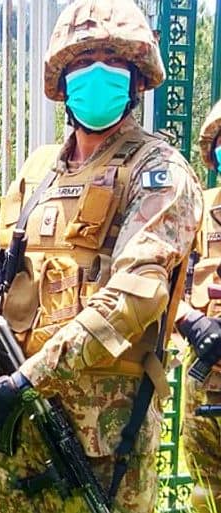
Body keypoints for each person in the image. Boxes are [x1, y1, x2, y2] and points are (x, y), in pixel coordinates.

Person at [0, 1, 203, 511]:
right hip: (20, 428)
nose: (97, 75)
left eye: (113, 63)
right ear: (61, 82)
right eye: (81, 63)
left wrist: (26, 379)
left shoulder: (159, 171)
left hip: (101, 440)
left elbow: (133, 298)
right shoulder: (38, 173)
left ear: (136, 80)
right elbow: (4, 285)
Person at [172, 99, 221, 512]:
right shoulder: (197, 211)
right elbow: (164, 283)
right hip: (207, 378)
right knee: (206, 492)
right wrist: (192, 321)